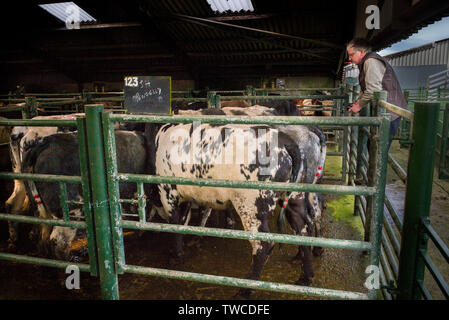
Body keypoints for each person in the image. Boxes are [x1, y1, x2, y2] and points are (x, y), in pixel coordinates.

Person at [346, 38, 409, 150]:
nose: (349, 58)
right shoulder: (366, 61)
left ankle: (378, 168)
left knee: (378, 149)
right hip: (385, 111)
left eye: (351, 55)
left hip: (390, 112)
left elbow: (372, 90)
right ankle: (374, 167)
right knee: (373, 145)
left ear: (361, 52)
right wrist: (358, 101)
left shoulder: (371, 61)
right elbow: (366, 88)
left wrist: (359, 105)